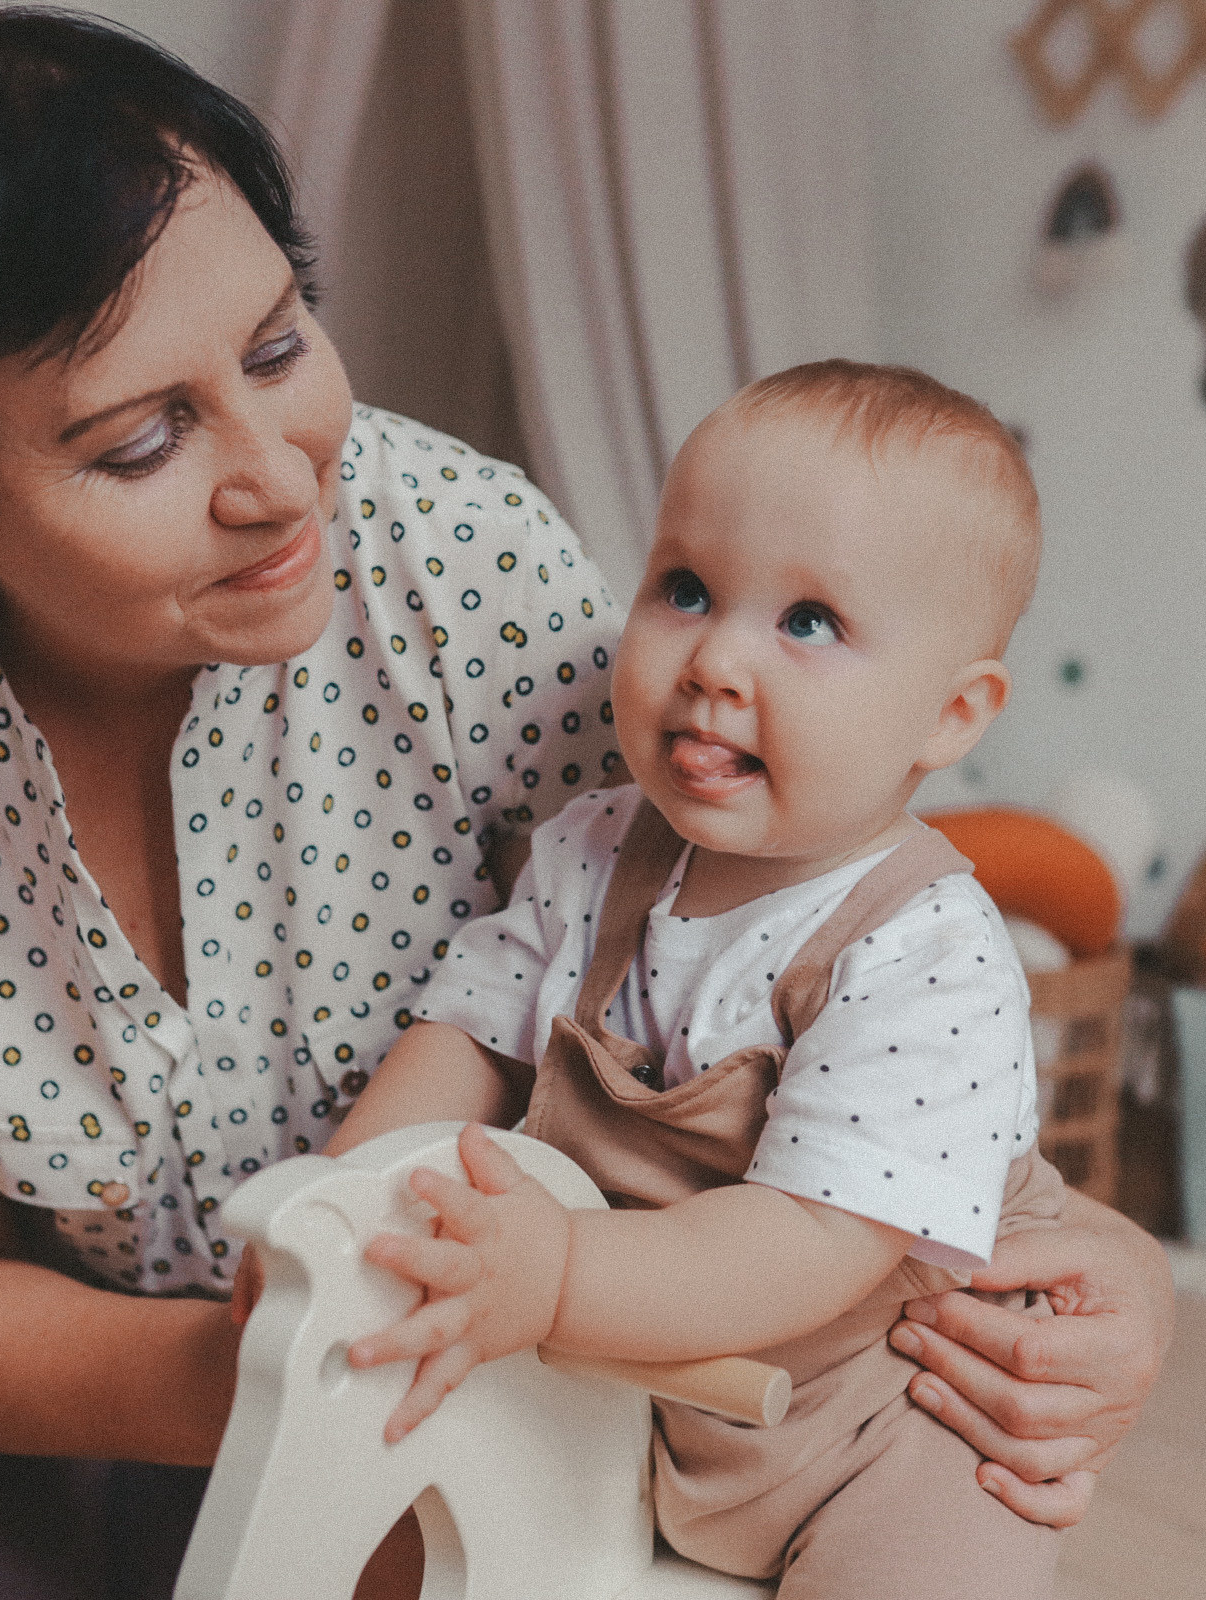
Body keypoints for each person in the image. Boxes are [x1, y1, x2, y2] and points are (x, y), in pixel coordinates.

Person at [0, 10, 1175, 1598]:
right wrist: (281, 1372)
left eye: (278, 347)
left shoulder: (460, 563)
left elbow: (761, 982)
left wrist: (1110, 1278)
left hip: (446, 1316)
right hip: (35, 1329)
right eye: (142, 441)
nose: (280, 477)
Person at [326, 362, 1063, 1595]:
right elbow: (466, 1032)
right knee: (394, 1506)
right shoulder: (594, 849)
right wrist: (341, 1204)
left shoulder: (926, 953)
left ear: (949, 715)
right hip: (629, 1382)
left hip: (879, 1425)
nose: (717, 656)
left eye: (808, 621)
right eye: (686, 588)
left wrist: (559, 1271)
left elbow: (811, 1238)